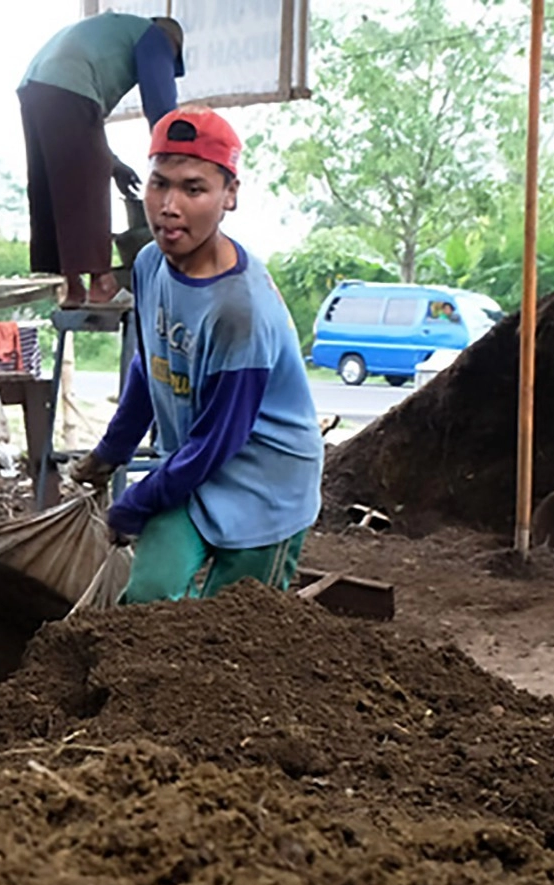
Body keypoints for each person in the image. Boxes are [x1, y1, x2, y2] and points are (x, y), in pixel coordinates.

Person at [68, 107, 325, 604]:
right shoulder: (149, 265)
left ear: (229, 196)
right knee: (149, 599)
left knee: (233, 630)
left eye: (193, 189)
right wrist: (110, 453)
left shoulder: (238, 311)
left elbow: (217, 440)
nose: (168, 206)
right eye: (159, 184)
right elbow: (152, 366)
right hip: (189, 473)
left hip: (264, 488)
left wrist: (135, 502)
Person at [18, 12, 185, 309]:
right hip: (69, 83)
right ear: (173, 44)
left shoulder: (114, 32)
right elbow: (161, 107)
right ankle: (102, 281)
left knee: (53, 180)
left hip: (34, 84)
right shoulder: (157, 36)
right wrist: (174, 163)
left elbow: (79, 143)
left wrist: (114, 164)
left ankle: (72, 287)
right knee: (90, 183)